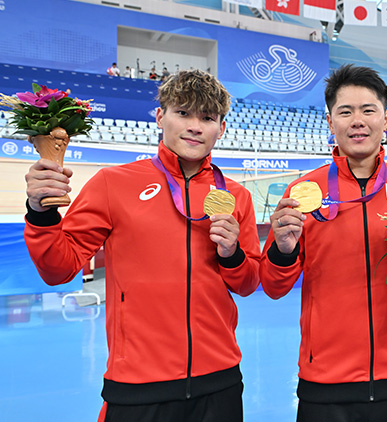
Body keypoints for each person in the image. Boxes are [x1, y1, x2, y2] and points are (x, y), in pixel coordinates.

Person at [24, 69, 261, 422]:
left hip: (220, 381)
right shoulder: (113, 183)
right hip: (138, 384)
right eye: (183, 113)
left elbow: (247, 283)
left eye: (207, 117)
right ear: (160, 116)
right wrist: (40, 213)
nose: (195, 126)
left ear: (221, 129)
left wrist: (232, 254)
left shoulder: (236, 196)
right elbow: (59, 268)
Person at [260, 64, 387, 422]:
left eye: (368, 110)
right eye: (345, 112)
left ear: (386, 118)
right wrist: (283, 249)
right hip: (326, 383)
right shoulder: (302, 194)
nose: (357, 120)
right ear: (330, 122)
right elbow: (273, 285)